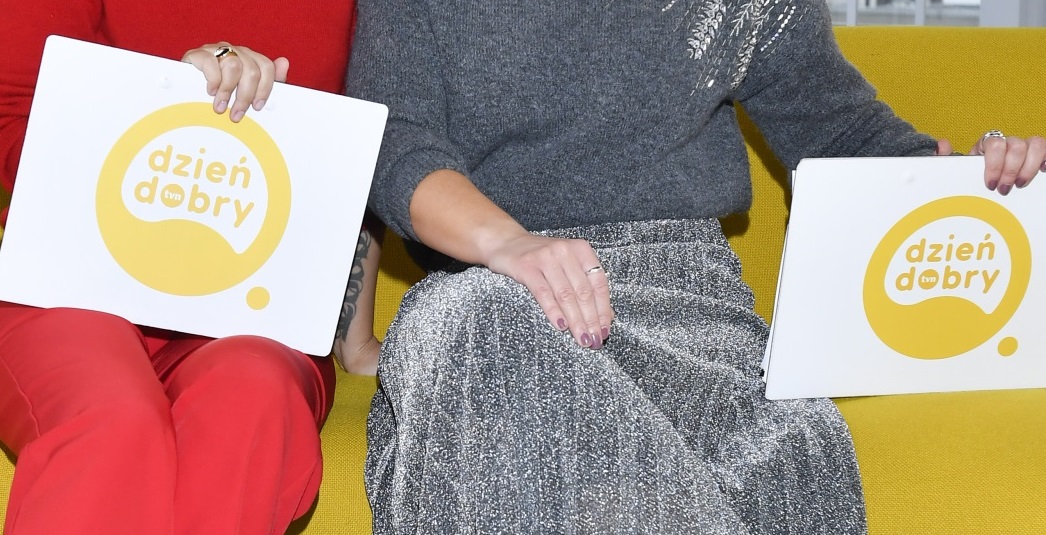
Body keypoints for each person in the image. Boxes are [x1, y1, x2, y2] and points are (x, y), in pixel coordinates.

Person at [346, 0, 1046, 533]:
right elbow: (391, 140)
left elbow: (841, 132)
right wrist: (508, 244)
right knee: (470, 322)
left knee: (784, 453)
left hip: (687, 307)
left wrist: (971, 184)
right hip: (491, 296)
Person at [0, 1, 381, 533]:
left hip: (257, 309)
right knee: (112, 417)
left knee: (255, 400)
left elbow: (368, 148)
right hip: (72, 287)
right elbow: (14, 113)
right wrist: (168, 103)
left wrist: (353, 336)